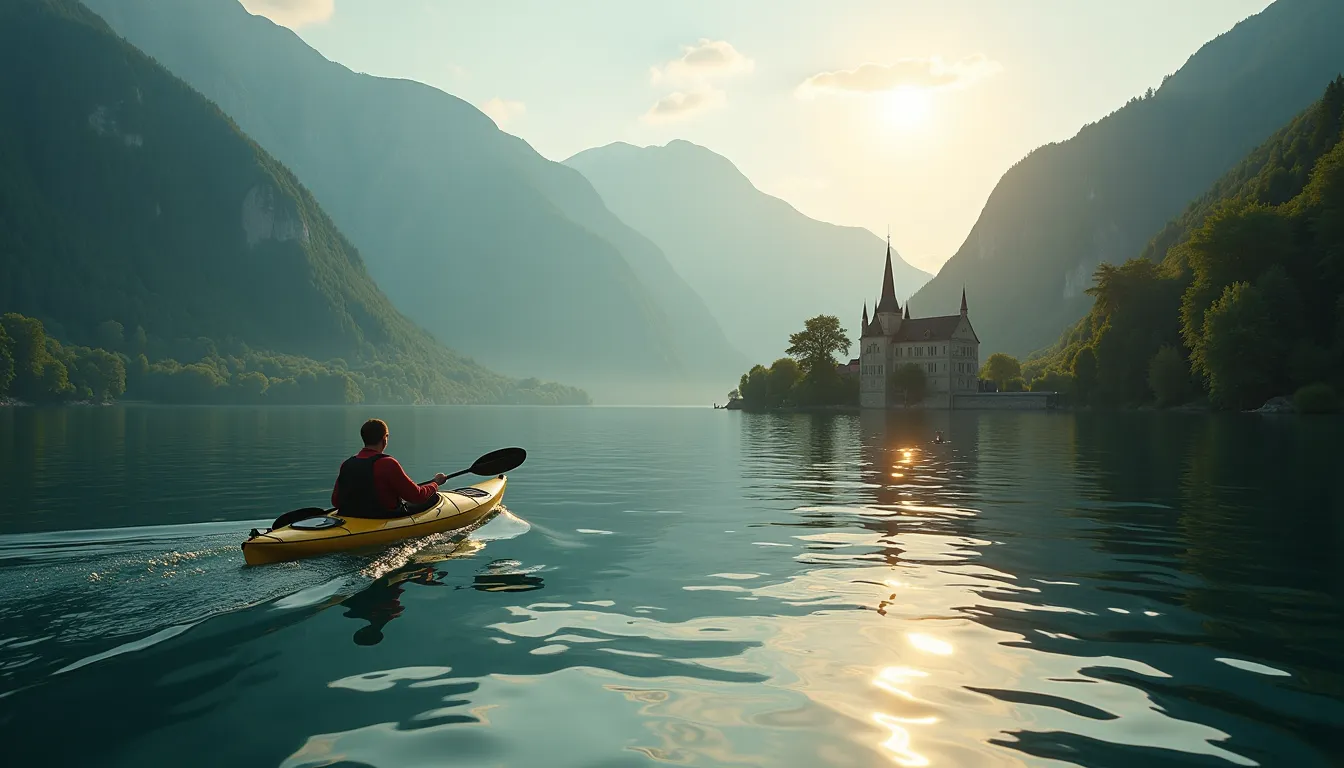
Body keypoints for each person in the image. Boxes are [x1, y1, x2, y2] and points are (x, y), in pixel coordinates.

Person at [331, 418, 448, 518]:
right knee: (433, 497)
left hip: (351, 516)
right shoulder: (388, 464)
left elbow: (335, 502)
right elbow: (417, 496)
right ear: (384, 438)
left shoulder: (347, 464)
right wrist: (435, 483)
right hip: (384, 517)